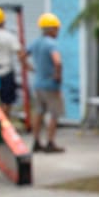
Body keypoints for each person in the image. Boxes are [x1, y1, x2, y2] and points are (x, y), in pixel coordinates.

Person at [27, 12, 65, 153]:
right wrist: (58, 76)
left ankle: (36, 141)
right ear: (53, 29)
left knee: (39, 112)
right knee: (54, 114)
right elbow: (58, 62)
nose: (58, 31)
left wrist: (29, 68)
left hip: (37, 84)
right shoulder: (52, 44)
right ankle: (50, 142)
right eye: (57, 28)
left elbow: (23, 55)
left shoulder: (36, 42)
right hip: (50, 85)